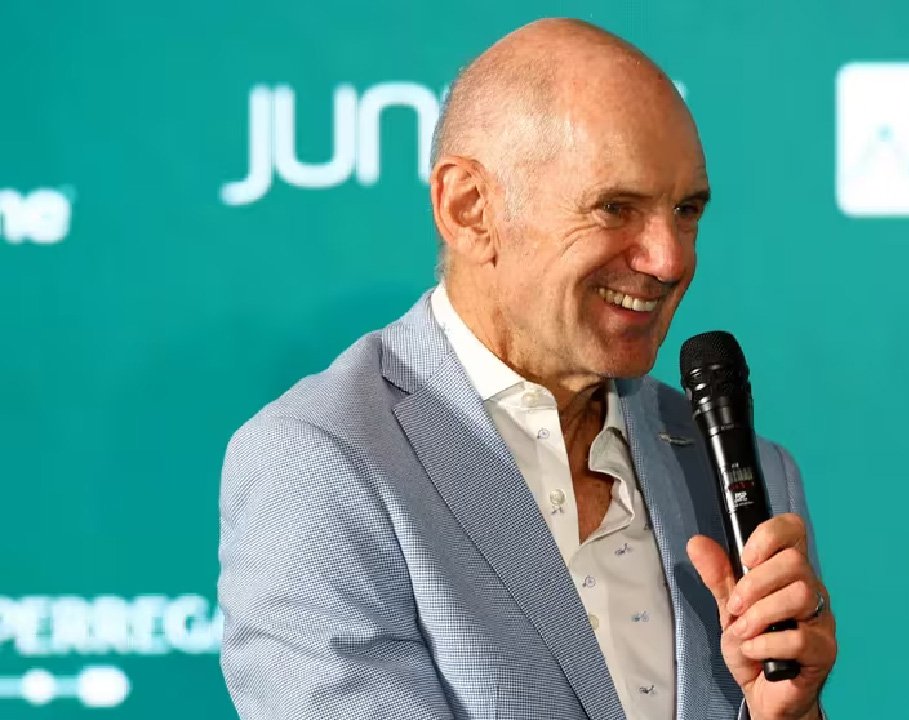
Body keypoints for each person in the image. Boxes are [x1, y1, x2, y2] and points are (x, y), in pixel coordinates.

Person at [217, 17, 836, 720]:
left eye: (686, 209)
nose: (669, 259)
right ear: (470, 209)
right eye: (615, 208)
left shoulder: (744, 473)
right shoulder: (320, 462)